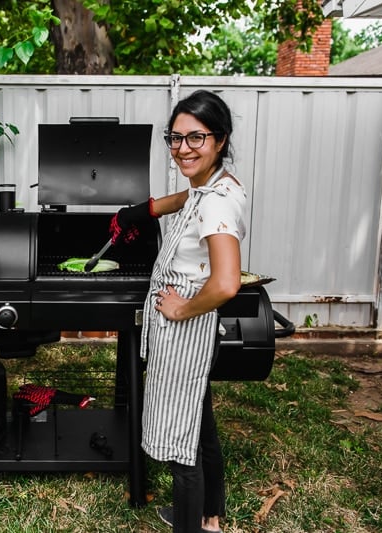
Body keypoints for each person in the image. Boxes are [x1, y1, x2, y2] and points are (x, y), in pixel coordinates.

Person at [110, 90, 246, 533]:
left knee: (179, 440)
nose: (183, 148)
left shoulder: (217, 203)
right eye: (175, 138)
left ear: (220, 140)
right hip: (188, 329)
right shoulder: (215, 187)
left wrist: (182, 308)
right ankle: (210, 518)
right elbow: (187, 200)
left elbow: (226, 282)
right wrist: (143, 210)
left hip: (186, 329)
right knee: (199, 422)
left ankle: (189, 524)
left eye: (196, 138)